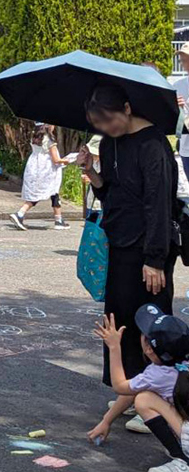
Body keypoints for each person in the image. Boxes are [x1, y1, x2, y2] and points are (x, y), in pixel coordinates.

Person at [76, 84, 178, 401]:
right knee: (119, 317)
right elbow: (112, 195)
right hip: (118, 242)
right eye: (100, 125)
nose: (107, 129)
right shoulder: (109, 144)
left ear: (127, 108)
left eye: (110, 120)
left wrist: (155, 258)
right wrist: (92, 173)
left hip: (150, 245)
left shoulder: (153, 145)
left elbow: (159, 204)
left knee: (148, 320)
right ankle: (127, 390)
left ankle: (156, 395)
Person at [90, 307, 189, 472]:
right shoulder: (178, 361)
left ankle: (183, 461)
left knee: (144, 400)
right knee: (145, 395)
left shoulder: (158, 374)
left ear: (149, 348)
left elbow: (120, 386)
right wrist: (106, 421)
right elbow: (132, 390)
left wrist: (114, 347)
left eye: (145, 333)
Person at [9, 123, 71, 231]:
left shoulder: (35, 136)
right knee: (40, 193)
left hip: (34, 167)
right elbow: (56, 160)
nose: (54, 126)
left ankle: (58, 219)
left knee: (52, 193)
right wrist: (69, 160)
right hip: (46, 171)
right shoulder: (49, 140)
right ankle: (19, 214)